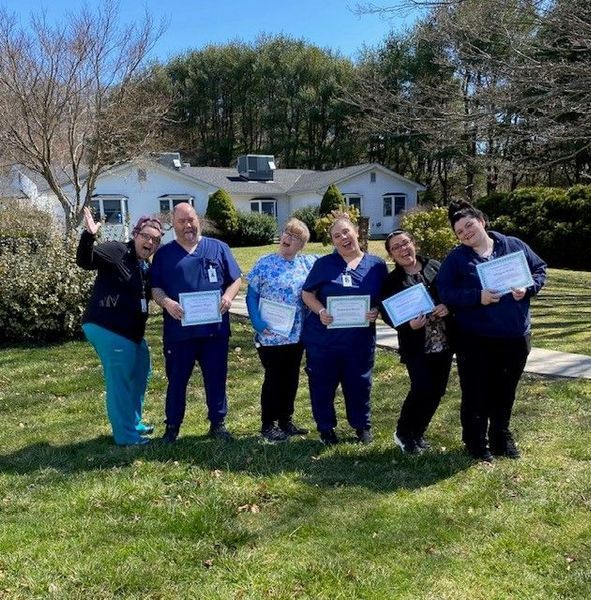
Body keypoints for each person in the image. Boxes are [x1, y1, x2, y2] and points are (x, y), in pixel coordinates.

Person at [437, 200, 547, 462]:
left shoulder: (512, 245)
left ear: (482, 221)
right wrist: (478, 297)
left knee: (505, 390)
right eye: (459, 232)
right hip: (476, 340)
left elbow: (539, 269)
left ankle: (501, 436)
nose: (465, 233)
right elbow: (446, 293)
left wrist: (528, 288)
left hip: (515, 336)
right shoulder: (456, 259)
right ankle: (476, 441)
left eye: (469, 225)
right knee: (476, 391)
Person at [151, 203, 242, 443]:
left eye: (190, 219)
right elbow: (155, 288)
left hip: (214, 331)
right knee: (177, 380)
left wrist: (228, 296)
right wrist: (167, 303)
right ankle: (172, 427)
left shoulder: (218, 248)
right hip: (179, 334)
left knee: (216, 378)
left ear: (198, 219)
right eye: (181, 221)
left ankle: (218, 423)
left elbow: (236, 279)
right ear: (174, 224)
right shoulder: (164, 254)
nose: (187, 225)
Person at [77, 207, 163, 446]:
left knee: (141, 372)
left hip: (132, 334)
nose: (150, 242)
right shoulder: (117, 251)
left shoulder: (143, 267)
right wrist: (89, 235)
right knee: (120, 380)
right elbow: (85, 261)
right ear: (135, 234)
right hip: (108, 327)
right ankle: (126, 436)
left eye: (155, 240)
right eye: (145, 235)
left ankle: (134, 422)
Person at [301, 215, 388, 445]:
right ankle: (326, 428)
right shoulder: (324, 265)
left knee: (359, 383)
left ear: (357, 232)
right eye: (337, 236)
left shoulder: (376, 266)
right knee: (322, 384)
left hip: (359, 340)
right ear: (333, 241)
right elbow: (307, 294)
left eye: (346, 232)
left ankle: (362, 426)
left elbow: (385, 297)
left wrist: (376, 309)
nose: (343, 238)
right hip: (324, 340)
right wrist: (320, 311)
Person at [380, 229, 453, 454]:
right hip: (416, 345)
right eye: (396, 247)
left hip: (443, 341)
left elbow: (452, 292)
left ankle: (418, 432)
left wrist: (447, 306)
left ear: (414, 243)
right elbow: (387, 312)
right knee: (421, 388)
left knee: (437, 391)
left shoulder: (435, 266)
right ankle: (403, 432)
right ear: (392, 255)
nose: (403, 249)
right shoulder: (392, 281)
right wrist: (407, 326)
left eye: (405, 243)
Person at [246, 218, 317, 443]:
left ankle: (286, 420)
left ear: (301, 245)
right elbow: (251, 294)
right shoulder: (264, 263)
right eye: (287, 233)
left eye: (295, 237)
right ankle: (268, 424)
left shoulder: (306, 265)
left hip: (296, 334)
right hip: (270, 334)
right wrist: (256, 319)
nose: (287, 238)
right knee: (274, 378)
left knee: (291, 378)